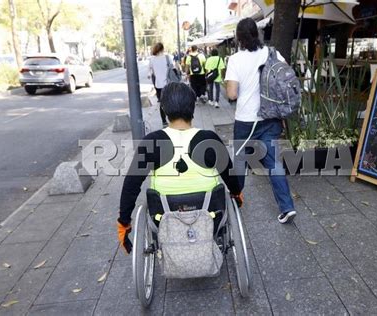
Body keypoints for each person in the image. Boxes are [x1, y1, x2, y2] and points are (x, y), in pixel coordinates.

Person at [117, 82, 244, 254]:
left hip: (163, 216)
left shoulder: (152, 141)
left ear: (164, 110)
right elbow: (229, 175)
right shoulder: (209, 139)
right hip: (210, 214)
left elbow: (131, 185)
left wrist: (124, 222)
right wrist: (236, 193)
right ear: (193, 108)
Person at [225, 18, 296, 224]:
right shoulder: (272, 53)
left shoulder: (236, 60)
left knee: (240, 163)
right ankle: (287, 207)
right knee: (273, 163)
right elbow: (286, 76)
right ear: (256, 33)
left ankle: (236, 201)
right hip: (270, 117)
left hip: (246, 121)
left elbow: (231, 94)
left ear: (239, 38)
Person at [149, 42, 174, 127]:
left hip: (158, 85)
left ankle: (164, 121)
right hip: (168, 83)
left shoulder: (152, 59)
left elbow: (151, 72)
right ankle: (172, 119)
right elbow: (173, 68)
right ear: (162, 49)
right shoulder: (168, 57)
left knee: (162, 103)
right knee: (170, 101)